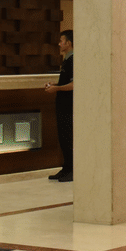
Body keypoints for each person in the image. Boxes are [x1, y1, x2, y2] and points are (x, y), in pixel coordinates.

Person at [45, 30, 74, 182]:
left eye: (62, 41)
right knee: (63, 137)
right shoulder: (67, 60)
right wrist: (55, 85)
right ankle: (66, 167)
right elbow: (66, 82)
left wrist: (56, 89)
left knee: (68, 137)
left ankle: (72, 169)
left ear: (68, 43)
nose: (59, 44)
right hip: (62, 104)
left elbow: (75, 84)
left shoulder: (74, 60)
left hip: (69, 105)